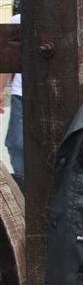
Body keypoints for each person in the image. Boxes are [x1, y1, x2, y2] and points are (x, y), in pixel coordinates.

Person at [0, 13, 23, 191]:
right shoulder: (17, 20)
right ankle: (24, 186)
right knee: (16, 143)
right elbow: (7, 59)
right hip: (21, 92)